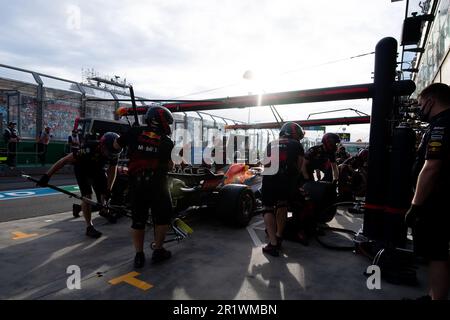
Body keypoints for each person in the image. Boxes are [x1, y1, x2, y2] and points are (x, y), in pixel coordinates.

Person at [113, 105, 175, 268]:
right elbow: (169, 165)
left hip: (137, 184)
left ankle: (139, 256)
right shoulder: (167, 142)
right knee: (162, 218)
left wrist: (131, 138)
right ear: (162, 122)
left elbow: (115, 147)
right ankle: (158, 250)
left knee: (138, 220)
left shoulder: (133, 132)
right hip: (158, 184)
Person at [405, 82, 450, 300]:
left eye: (421, 104)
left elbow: (432, 166)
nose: (420, 108)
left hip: (439, 202)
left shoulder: (441, 125)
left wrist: (415, 206)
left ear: (431, 101)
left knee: (437, 255)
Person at [38, 132, 122, 238]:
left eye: (113, 154)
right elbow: (64, 161)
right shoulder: (87, 149)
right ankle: (89, 227)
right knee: (87, 196)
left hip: (98, 168)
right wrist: (47, 176)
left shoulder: (114, 152)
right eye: (109, 152)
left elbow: (112, 170)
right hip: (82, 168)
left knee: (105, 191)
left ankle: (103, 209)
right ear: (102, 145)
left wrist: (109, 189)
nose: (111, 155)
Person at [261, 122, 305, 257]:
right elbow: (300, 167)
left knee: (268, 208)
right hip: (287, 180)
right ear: (295, 134)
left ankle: (273, 244)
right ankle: (279, 236)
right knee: (282, 205)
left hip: (270, 178)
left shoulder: (271, 144)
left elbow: (265, 164)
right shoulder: (297, 145)